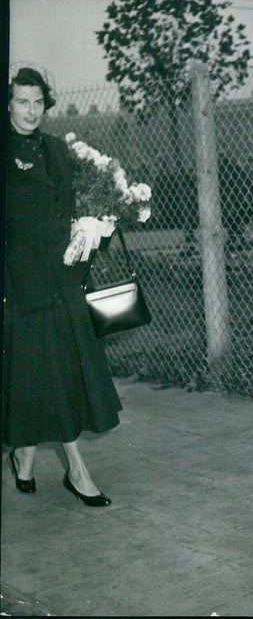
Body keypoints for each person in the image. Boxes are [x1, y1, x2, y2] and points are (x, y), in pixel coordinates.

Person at [3, 65, 121, 507]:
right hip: (20, 282)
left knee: (51, 370)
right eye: (22, 102)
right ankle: (76, 469)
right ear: (8, 103)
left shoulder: (56, 149)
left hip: (62, 277)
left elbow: (77, 203)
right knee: (41, 369)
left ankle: (26, 455)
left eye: (38, 102)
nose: (31, 111)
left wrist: (91, 225)